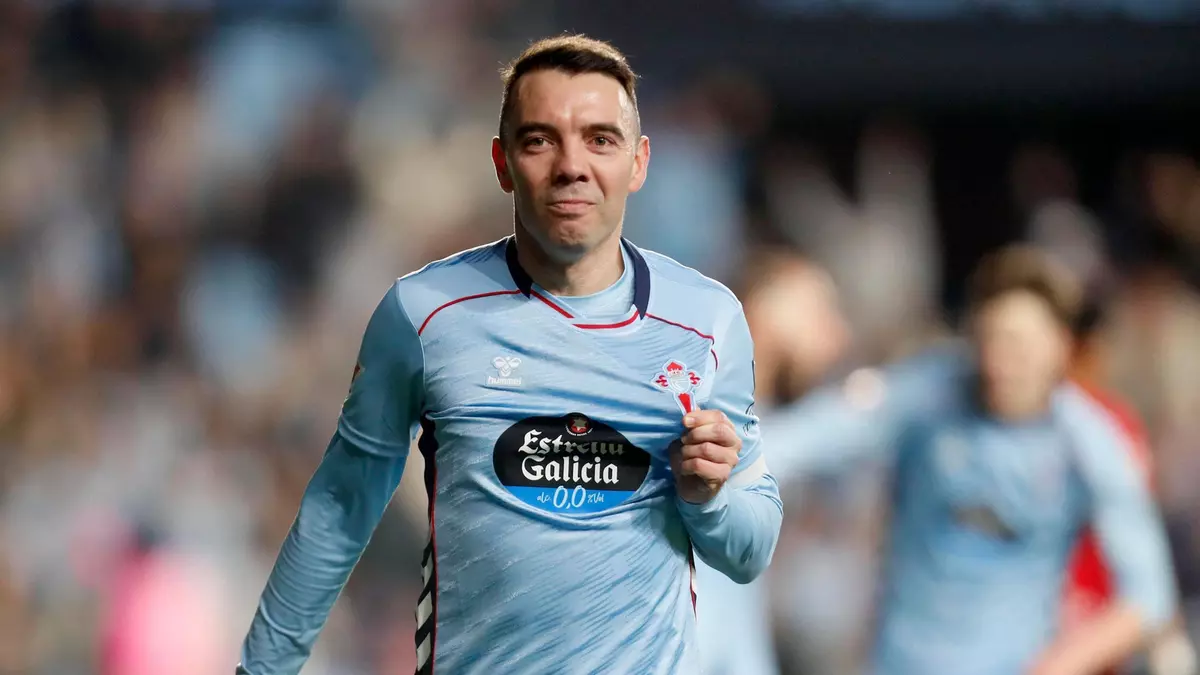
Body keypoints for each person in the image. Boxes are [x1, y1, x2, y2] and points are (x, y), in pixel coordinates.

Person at [235, 35, 783, 675]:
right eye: (541, 140)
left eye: (601, 140)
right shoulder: (424, 313)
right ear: (502, 162)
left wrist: (708, 499)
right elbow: (340, 507)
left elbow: (750, 549)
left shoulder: (707, 320)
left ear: (638, 163)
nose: (572, 166)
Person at [757, 246, 1178, 675]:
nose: (1003, 362)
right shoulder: (927, 392)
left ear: (1061, 347)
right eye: (993, 340)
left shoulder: (1090, 442)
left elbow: (1149, 597)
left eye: (1021, 344)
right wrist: (735, 456)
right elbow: (819, 432)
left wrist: (1058, 665)